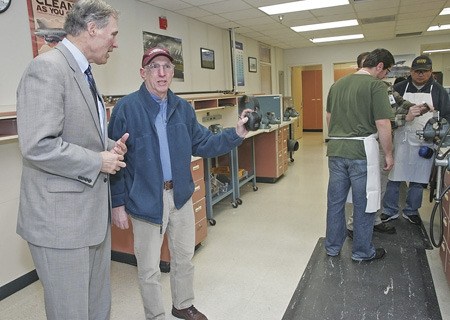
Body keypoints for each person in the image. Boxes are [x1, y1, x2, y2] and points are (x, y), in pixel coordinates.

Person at [108, 46, 251, 320]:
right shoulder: (127, 108)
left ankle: (183, 304)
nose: (161, 73)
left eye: (167, 67)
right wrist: (118, 202)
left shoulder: (181, 108)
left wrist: (237, 133)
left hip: (181, 196)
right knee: (148, 268)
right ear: (143, 72)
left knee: (184, 257)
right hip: (146, 200)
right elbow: (115, 160)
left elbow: (204, 142)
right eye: (154, 67)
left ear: (173, 73)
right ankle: (155, 315)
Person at [15, 1, 128, 319]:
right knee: (71, 312)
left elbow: (79, 134)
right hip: (60, 224)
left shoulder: (84, 73)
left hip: (90, 218)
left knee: (97, 306)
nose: (116, 43)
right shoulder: (47, 68)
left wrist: (109, 147)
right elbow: (37, 145)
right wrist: (98, 161)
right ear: (92, 29)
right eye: (113, 34)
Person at [325, 48, 395, 262]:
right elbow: (383, 123)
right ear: (380, 66)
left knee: (335, 204)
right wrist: (389, 154)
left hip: (336, 151)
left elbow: (329, 117)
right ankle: (362, 252)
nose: (386, 76)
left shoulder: (337, 85)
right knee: (364, 203)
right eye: (387, 70)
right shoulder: (376, 86)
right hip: (361, 153)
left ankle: (332, 247)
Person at [382, 55, 450, 225]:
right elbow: (389, 112)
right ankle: (389, 210)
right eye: (417, 71)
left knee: (418, 179)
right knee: (394, 177)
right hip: (401, 138)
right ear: (411, 72)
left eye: (424, 71)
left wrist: (438, 133)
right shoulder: (398, 87)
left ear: (430, 72)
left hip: (425, 141)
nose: (420, 75)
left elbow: (446, 116)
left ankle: (411, 210)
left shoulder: (438, 91)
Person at [346, 51, 396, 239]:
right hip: (367, 144)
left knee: (377, 187)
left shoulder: (384, 87)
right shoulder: (371, 87)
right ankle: (357, 229)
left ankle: (372, 222)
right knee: (364, 191)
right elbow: (381, 120)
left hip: (378, 142)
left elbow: (395, 108)